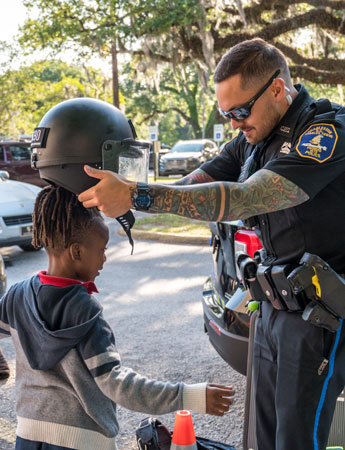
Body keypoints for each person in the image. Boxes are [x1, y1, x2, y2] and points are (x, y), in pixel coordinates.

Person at [78, 38, 345, 450]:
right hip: (273, 309)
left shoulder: (324, 133)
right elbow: (194, 186)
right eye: (226, 114)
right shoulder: (252, 138)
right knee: (262, 437)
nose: (235, 123)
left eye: (240, 111)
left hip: (319, 318)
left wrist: (137, 196)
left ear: (277, 89)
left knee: (295, 441)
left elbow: (245, 197)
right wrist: (130, 191)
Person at [0, 184, 234, 450]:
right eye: (101, 250)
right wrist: (189, 395)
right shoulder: (86, 313)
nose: (104, 259)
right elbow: (118, 384)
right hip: (82, 443)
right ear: (76, 252)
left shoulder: (18, 295)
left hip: (27, 437)